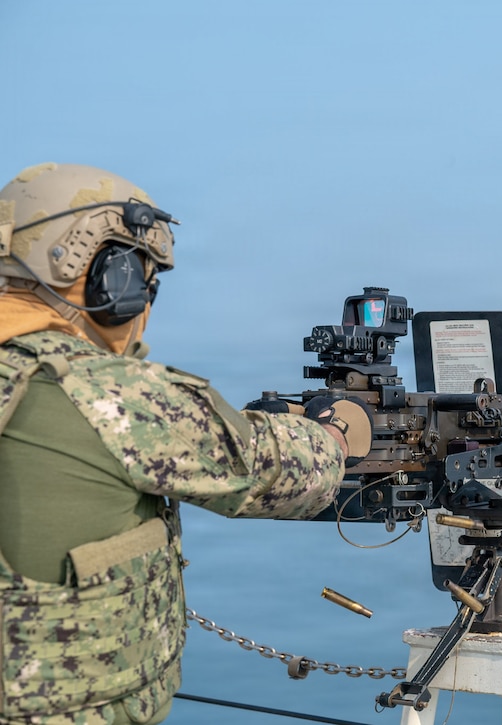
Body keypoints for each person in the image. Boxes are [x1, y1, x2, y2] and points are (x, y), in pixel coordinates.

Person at [0, 163, 370, 724]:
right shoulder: (106, 395)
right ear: (112, 279)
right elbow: (292, 473)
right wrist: (337, 427)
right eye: (143, 280)